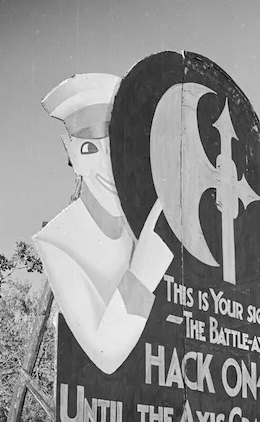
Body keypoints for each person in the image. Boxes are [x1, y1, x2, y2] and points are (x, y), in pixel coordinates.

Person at [33, 73, 173, 374]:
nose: (107, 167)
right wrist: (144, 273)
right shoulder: (59, 242)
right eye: (89, 149)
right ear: (70, 151)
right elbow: (105, 353)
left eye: (117, 149)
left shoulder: (144, 219)